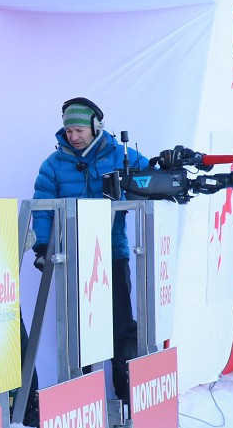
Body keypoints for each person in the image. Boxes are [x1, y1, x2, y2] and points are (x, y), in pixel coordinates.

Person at [31, 97, 149, 405]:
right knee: (79, 329)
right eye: (69, 131)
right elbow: (42, 207)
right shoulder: (53, 164)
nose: (73, 136)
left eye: (80, 129)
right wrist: (42, 246)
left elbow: (151, 178)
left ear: (96, 126)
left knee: (121, 326)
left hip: (113, 252)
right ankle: (81, 401)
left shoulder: (121, 155)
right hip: (73, 257)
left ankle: (128, 396)